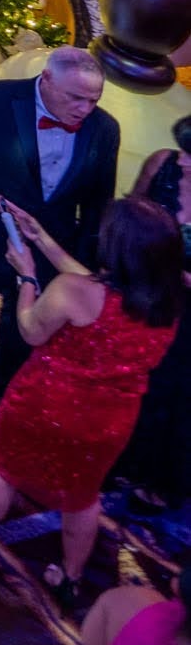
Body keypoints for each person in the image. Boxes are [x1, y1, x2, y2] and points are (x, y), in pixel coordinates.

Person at [0, 195, 181, 595]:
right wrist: (40, 237)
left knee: (2, 470)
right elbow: (98, 289)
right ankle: (71, 579)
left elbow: (30, 330)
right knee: (83, 497)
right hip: (108, 421)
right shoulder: (168, 300)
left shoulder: (72, 291)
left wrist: (27, 277)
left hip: (42, 405)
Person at [0, 48, 121, 446]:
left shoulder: (104, 129)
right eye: (75, 98)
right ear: (46, 80)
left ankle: (3, 394)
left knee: (24, 331)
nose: (85, 109)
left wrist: (81, 268)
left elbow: (98, 203)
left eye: (93, 100)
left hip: (49, 249)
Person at [120, 115, 191, 504]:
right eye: (183, 151)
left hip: (188, 312)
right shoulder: (163, 162)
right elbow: (129, 217)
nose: (183, 161)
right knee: (131, 376)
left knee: (175, 391)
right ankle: (122, 460)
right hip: (146, 295)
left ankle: (161, 481)